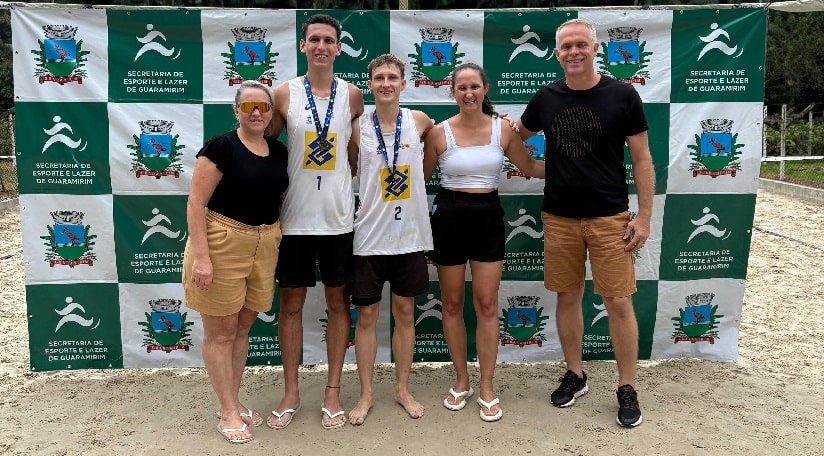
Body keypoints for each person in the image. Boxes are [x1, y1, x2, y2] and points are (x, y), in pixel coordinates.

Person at [514, 18, 654, 428]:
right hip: (559, 218)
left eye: (580, 44)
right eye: (565, 47)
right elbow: (517, 139)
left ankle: (627, 386)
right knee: (568, 296)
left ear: (595, 49)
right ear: (556, 54)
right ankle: (575, 375)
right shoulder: (545, 98)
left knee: (618, 302)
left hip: (611, 218)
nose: (573, 51)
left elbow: (642, 159)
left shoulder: (623, 95)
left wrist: (644, 216)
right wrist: (541, 169)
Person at [423, 63, 544, 422]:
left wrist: (580, 169)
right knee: (453, 303)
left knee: (488, 304)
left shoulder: (503, 130)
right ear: (452, 92)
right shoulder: (437, 133)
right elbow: (419, 184)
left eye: (474, 86)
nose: (468, 92)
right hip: (448, 217)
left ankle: (487, 385)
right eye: (461, 87)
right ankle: (462, 380)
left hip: (487, 216)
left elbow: (531, 168)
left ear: (485, 88)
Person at [266, 14, 364, 431]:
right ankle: (291, 392)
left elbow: (359, 152)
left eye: (329, 40)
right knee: (290, 307)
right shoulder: (283, 93)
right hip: (295, 220)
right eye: (314, 39)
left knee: (339, 304)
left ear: (339, 48)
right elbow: (261, 144)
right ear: (303, 46)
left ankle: (332, 392)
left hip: (339, 218)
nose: (322, 46)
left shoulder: (354, 95)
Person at [182, 80, 289, 444]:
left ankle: (233, 400)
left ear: (272, 112)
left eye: (263, 107)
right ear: (236, 111)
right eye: (248, 107)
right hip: (222, 240)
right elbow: (196, 203)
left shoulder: (278, 151)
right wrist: (202, 258)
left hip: (264, 242)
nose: (256, 113)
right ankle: (227, 410)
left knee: (241, 328)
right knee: (221, 332)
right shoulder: (221, 147)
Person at [346, 54, 434, 426]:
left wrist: (501, 120)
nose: (385, 83)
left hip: (410, 237)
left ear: (403, 83)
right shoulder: (356, 127)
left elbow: (457, 134)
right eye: (379, 77)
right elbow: (352, 169)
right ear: (370, 84)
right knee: (366, 315)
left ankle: (401, 388)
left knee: (403, 313)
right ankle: (366, 394)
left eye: (392, 77)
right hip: (369, 236)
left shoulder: (419, 121)